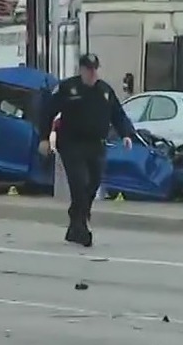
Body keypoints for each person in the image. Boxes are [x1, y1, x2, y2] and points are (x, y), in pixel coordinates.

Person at [38, 53, 135, 247]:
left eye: (94, 69)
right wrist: (44, 138)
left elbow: (118, 114)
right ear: (81, 69)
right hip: (71, 144)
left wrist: (126, 134)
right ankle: (81, 228)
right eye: (88, 69)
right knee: (79, 183)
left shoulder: (105, 91)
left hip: (96, 144)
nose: (92, 73)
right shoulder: (68, 88)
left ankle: (76, 219)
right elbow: (47, 112)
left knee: (93, 183)